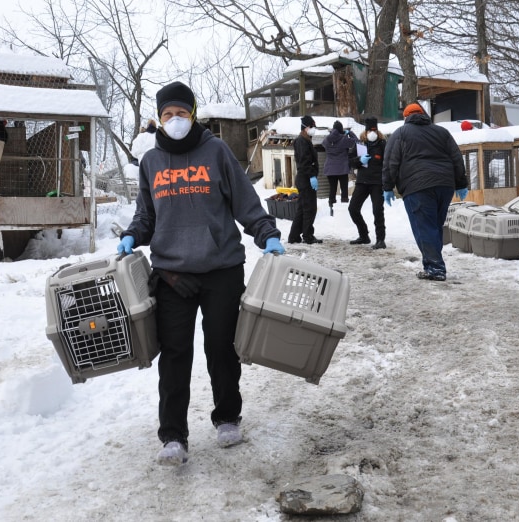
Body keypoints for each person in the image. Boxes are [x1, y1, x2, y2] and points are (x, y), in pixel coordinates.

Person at [116, 81, 285, 466]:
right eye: (167, 115)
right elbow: (146, 214)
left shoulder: (216, 151)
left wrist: (266, 233)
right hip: (173, 275)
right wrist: (131, 235)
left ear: (193, 114)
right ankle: (173, 435)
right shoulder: (151, 162)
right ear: (158, 120)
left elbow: (245, 200)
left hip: (221, 267)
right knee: (175, 354)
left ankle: (227, 417)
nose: (174, 120)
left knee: (222, 348)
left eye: (181, 113)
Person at [382, 103, 468, 281]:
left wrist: (387, 186)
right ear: (423, 114)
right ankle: (432, 263)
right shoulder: (441, 132)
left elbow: (391, 161)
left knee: (425, 228)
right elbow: (456, 158)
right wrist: (461, 183)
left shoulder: (401, 133)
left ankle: (435, 268)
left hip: (418, 186)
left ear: (406, 117)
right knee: (435, 227)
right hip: (445, 185)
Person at [347, 117, 386, 249]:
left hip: (377, 182)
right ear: (366, 131)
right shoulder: (360, 144)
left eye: (374, 130)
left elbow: (388, 164)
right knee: (353, 208)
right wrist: (359, 160)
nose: (372, 133)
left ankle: (380, 239)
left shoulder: (382, 144)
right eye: (370, 130)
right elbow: (350, 161)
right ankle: (364, 235)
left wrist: (387, 184)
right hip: (362, 181)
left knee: (377, 211)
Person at [288, 115, 323, 244]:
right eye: (311, 127)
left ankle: (294, 236)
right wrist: (311, 176)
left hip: (305, 178)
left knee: (302, 209)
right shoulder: (301, 141)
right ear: (305, 128)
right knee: (310, 209)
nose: (313, 129)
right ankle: (307, 236)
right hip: (306, 179)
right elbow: (304, 162)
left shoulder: (306, 140)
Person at [323, 120, 358, 212]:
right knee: (344, 189)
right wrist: (350, 133)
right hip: (342, 168)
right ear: (341, 129)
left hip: (330, 168)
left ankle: (331, 207)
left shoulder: (327, 139)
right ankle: (344, 208)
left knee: (332, 189)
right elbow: (356, 141)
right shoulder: (343, 139)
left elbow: (323, 144)